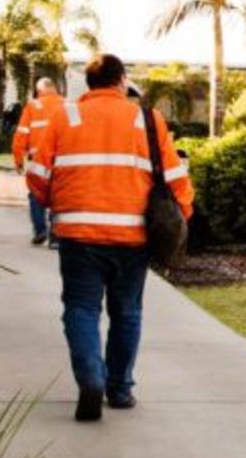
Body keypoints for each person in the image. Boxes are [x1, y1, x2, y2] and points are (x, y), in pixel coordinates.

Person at [27, 54, 193, 422]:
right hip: (132, 238)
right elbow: (176, 179)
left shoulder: (64, 118)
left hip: (78, 235)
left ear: (89, 84)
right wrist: (181, 219)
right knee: (127, 312)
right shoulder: (147, 120)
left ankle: (90, 379)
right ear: (121, 81)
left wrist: (59, 204)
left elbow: (37, 174)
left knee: (81, 309)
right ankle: (119, 390)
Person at [13, 78, 65, 245]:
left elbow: (21, 134)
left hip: (39, 160)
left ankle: (40, 230)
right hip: (61, 159)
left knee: (36, 193)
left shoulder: (33, 106)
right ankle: (56, 236)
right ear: (54, 89)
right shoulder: (67, 105)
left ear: (39, 90)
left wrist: (18, 160)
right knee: (59, 195)